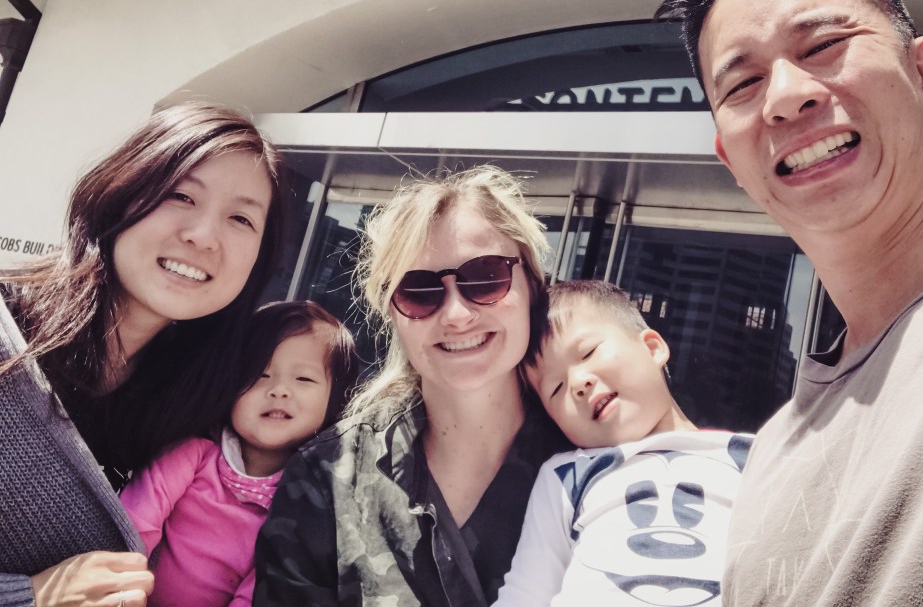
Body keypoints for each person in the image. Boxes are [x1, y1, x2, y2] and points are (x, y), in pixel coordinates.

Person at [656, 0, 923, 605]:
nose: (785, 96)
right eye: (743, 83)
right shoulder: (771, 455)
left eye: (824, 45)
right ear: (729, 158)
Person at [0, 102, 287, 607]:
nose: (203, 235)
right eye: (180, 195)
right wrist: (31, 595)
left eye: (241, 218)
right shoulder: (9, 336)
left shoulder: (203, 408)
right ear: (120, 194)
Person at [254, 165, 570, 607]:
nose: (456, 315)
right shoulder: (328, 474)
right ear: (392, 312)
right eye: (418, 291)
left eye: (486, 277)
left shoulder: (595, 457)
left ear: (533, 287)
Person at [494, 279, 751, 607]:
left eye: (588, 352)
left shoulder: (754, 457)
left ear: (652, 348)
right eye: (556, 389)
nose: (578, 382)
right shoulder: (567, 476)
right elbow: (526, 594)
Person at [120, 300, 357, 607]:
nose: (279, 389)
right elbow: (133, 525)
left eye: (303, 379)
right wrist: (121, 592)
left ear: (335, 400)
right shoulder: (193, 455)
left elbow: (267, 582)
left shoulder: (308, 498)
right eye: (260, 375)